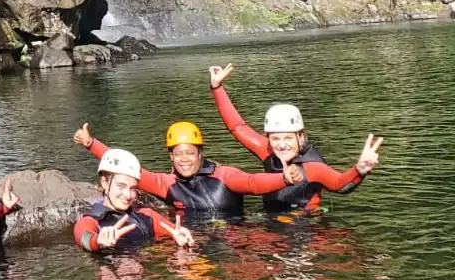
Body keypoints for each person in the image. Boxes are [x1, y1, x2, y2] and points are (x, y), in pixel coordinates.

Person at [208, 63, 383, 213]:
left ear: (300, 136)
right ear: (268, 138)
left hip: (306, 227)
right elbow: (238, 127)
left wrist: (359, 170)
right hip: (272, 223)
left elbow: (340, 185)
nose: (282, 145)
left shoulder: (313, 166)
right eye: (275, 139)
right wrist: (217, 87)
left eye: (288, 138)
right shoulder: (266, 150)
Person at [73, 121, 297, 222]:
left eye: (190, 153)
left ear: (200, 153)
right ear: (171, 156)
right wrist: (92, 144)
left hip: (234, 238)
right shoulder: (165, 183)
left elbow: (253, 183)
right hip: (191, 241)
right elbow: (126, 166)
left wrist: (283, 179)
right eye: (178, 154)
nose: (184, 159)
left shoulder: (223, 175)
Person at [73, 147, 195, 252]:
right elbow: (83, 238)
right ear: (104, 182)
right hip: (113, 275)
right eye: (121, 186)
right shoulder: (91, 221)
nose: (127, 195)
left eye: (133, 189)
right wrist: (98, 241)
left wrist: (181, 238)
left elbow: (174, 231)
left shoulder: (146, 215)